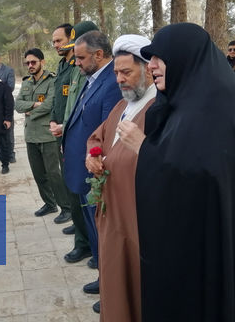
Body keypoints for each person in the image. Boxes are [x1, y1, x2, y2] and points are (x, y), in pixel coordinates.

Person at [118, 22, 235, 321]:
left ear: (183, 56)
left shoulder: (218, 104)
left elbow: (203, 177)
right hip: (207, 245)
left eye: (158, 57)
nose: (151, 65)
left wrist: (144, 149)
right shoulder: (188, 99)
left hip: (226, 253)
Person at [85, 35, 156, 322]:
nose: (119, 79)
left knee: (137, 284)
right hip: (112, 216)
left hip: (136, 219)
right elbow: (97, 138)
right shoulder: (123, 106)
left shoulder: (158, 109)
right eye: (116, 73)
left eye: (126, 72)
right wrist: (93, 156)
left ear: (148, 70)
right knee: (114, 279)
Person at [62, 30, 121, 314]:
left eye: (81, 58)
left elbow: (107, 134)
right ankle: (102, 278)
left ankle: (112, 289)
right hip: (84, 172)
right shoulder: (92, 78)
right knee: (96, 235)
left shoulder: (111, 82)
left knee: (104, 235)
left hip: (96, 174)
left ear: (99, 55)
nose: (77, 63)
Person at [49, 22, 94, 253]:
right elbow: (61, 101)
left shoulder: (79, 68)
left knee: (80, 190)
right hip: (63, 132)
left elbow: (77, 105)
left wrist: (65, 127)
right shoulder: (65, 65)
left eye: (60, 40)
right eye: (54, 42)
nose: (57, 45)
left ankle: (84, 239)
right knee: (71, 185)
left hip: (74, 135)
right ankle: (79, 229)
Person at [15, 48, 70, 223]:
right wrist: (34, 105)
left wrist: (32, 110)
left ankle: (66, 208)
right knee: (39, 174)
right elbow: (18, 105)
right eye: (28, 63)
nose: (30, 66)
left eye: (33, 62)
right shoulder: (26, 83)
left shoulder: (52, 81)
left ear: (42, 62)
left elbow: (50, 103)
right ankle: (50, 203)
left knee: (54, 174)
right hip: (31, 135)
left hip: (47, 135)